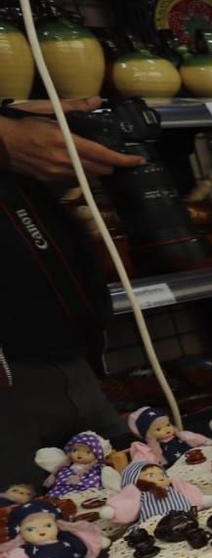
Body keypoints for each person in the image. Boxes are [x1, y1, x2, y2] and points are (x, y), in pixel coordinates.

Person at [0, 98, 139, 472]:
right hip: (11, 380)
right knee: (25, 518)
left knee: (141, 491)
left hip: (70, 357)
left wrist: (14, 112)